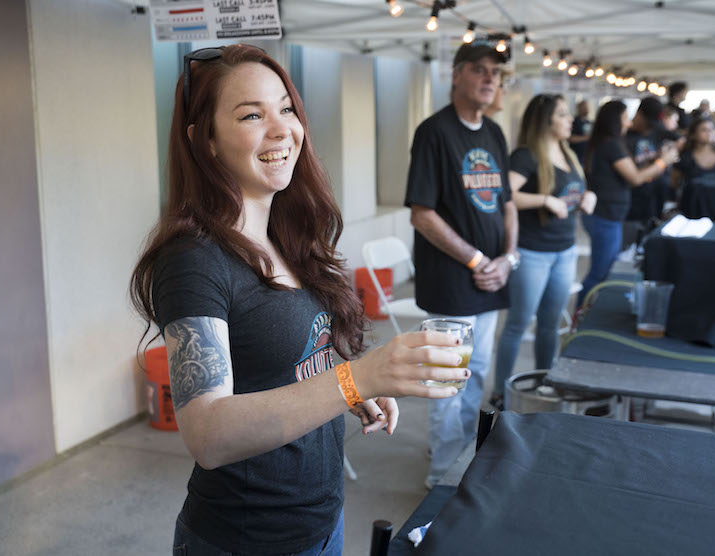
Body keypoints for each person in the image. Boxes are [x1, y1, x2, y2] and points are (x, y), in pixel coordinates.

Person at [130, 44, 468, 556]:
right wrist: (359, 377)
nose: (281, 128)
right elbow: (207, 434)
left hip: (322, 519)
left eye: (286, 109)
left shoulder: (290, 238)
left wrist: (350, 386)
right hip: (247, 540)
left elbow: (290, 358)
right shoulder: (194, 259)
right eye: (251, 114)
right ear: (206, 141)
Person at [404, 40, 518, 489]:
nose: (490, 78)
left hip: (493, 279)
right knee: (447, 383)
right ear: (456, 75)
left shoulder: (494, 132)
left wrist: (507, 259)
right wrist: (476, 258)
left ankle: (463, 458)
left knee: (480, 375)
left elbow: (507, 204)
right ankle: (442, 481)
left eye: (496, 72)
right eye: (480, 69)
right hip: (453, 279)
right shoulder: (434, 132)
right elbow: (422, 213)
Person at [491, 94, 596, 406]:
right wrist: (543, 200)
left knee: (550, 325)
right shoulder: (526, 155)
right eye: (562, 114)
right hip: (532, 252)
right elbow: (504, 194)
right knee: (519, 323)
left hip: (565, 250)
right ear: (545, 120)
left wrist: (589, 196)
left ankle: (544, 385)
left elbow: (573, 191)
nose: (570, 120)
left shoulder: (568, 153)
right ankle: (502, 393)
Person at [578, 101, 678, 304]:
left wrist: (655, 161)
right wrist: (662, 162)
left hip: (607, 215)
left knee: (604, 268)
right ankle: (581, 316)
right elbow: (635, 178)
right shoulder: (611, 144)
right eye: (625, 118)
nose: (629, 122)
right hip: (605, 216)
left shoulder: (608, 142)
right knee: (601, 273)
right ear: (615, 121)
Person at [624, 97, 671, 242]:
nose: (650, 128)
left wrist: (660, 155)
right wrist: (662, 162)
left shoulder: (656, 131)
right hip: (631, 202)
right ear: (639, 114)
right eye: (649, 123)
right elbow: (633, 176)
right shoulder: (624, 136)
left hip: (653, 198)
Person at [672, 118, 715, 189]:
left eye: (711, 129)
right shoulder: (685, 157)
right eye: (704, 130)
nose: (709, 132)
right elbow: (675, 184)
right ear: (693, 135)